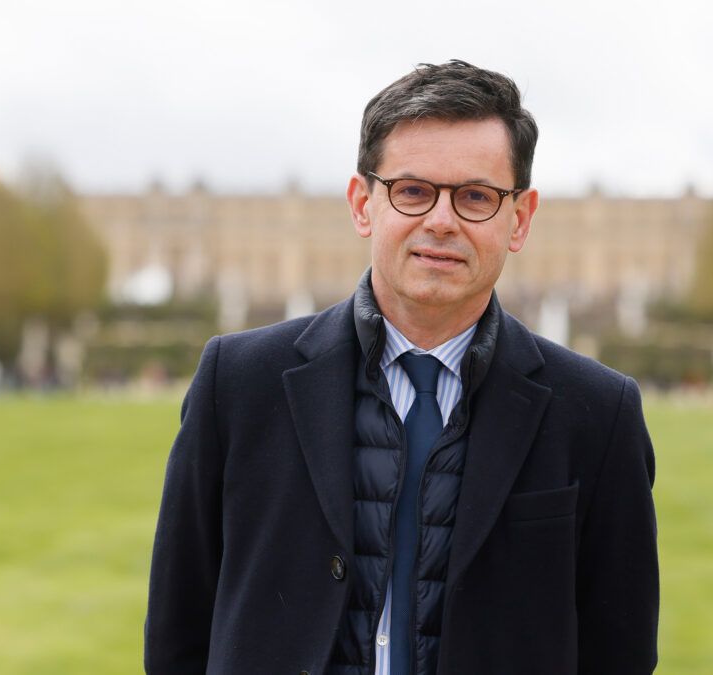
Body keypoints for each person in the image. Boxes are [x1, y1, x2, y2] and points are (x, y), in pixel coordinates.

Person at [145, 60, 658, 675]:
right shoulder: (237, 384)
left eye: (475, 196)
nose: (440, 221)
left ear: (519, 219)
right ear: (363, 204)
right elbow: (177, 638)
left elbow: (619, 654)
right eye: (412, 190)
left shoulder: (597, 415)